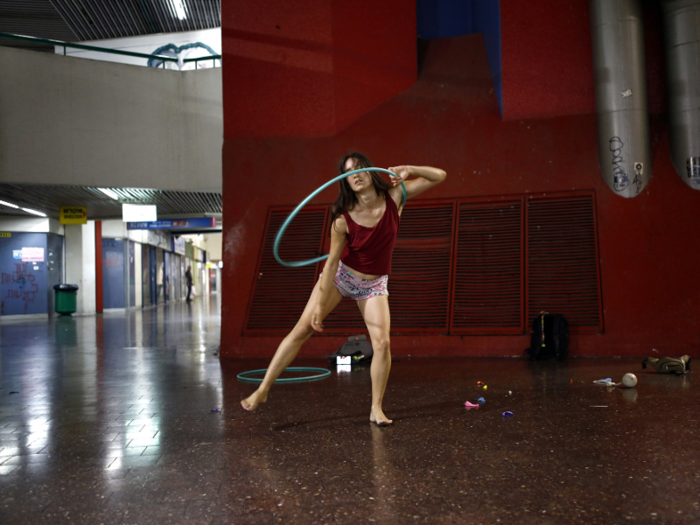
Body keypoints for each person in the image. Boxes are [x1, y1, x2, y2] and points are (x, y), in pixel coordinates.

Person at [241, 153, 447, 425]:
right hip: (342, 277)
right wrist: (317, 307)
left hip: (374, 284)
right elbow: (330, 263)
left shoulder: (396, 196)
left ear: (371, 172)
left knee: (383, 344)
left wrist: (410, 168)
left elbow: (440, 175)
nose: (356, 175)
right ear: (346, 182)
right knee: (302, 330)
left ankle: (376, 408)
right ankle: (263, 389)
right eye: (349, 172)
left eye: (360, 168)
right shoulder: (342, 219)